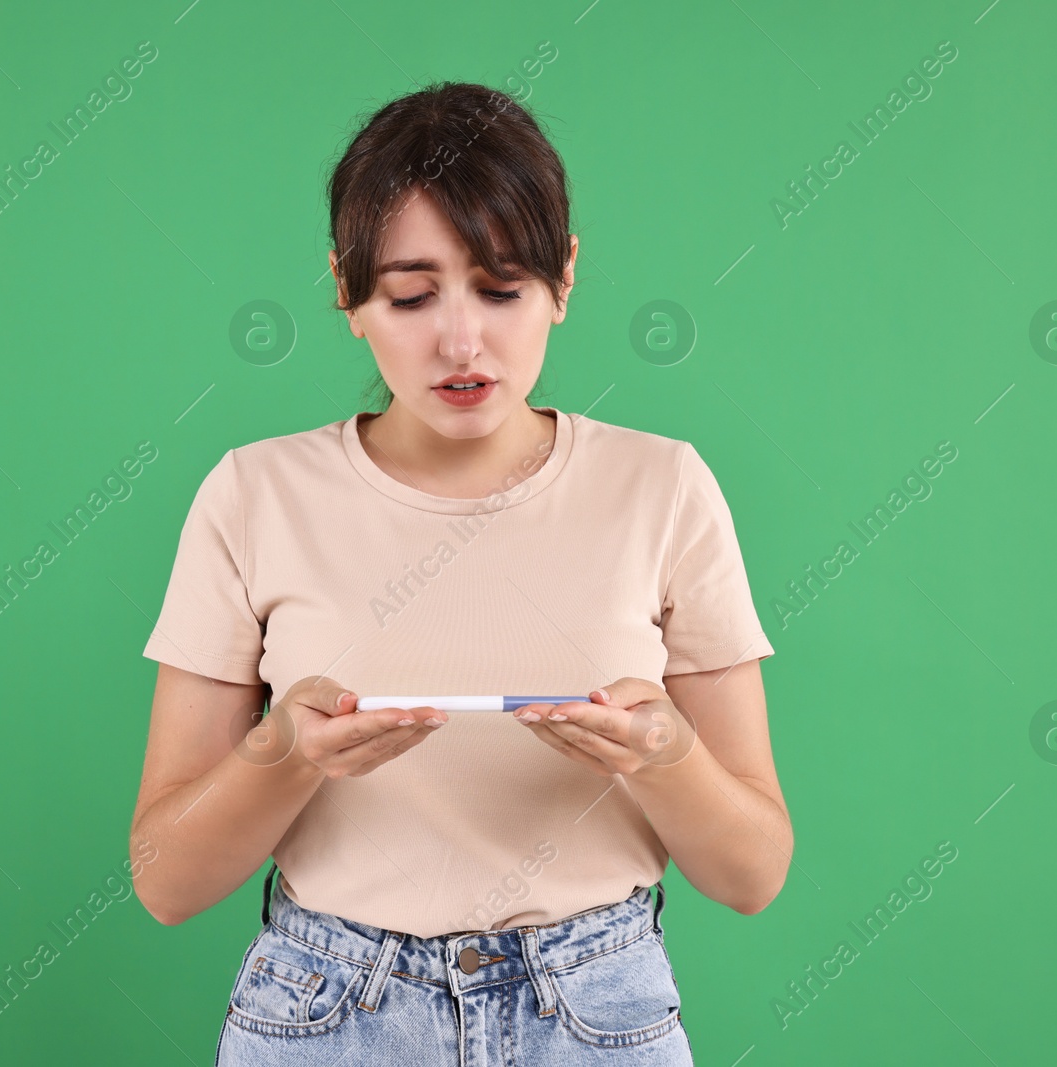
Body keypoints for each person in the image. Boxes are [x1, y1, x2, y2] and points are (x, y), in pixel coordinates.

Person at [129, 80, 792, 1066]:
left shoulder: (662, 486)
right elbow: (165, 880)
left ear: (564, 280)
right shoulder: (252, 494)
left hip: (596, 1010)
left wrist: (660, 751)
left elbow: (750, 870)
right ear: (348, 296)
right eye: (409, 293)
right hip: (325, 1012)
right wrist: (287, 751)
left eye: (501, 286)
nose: (460, 340)